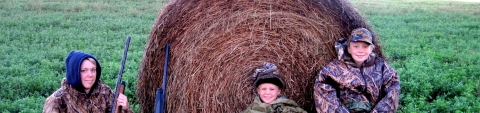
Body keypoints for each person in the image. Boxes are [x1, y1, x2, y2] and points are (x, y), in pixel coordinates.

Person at [314, 28, 400, 113]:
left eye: (365, 46)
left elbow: (393, 89)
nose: (360, 51)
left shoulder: (381, 66)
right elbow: (323, 91)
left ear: (371, 49)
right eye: (356, 46)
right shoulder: (334, 68)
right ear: (349, 49)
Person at [43, 51, 133, 113]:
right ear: (74, 72)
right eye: (84, 70)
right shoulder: (57, 101)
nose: (90, 75)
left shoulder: (105, 92)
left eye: (93, 70)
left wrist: (125, 109)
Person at [242, 62, 307, 113]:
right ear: (258, 91)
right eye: (263, 89)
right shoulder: (249, 110)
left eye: (272, 89)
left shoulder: (291, 110)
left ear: (279, 91)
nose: (267, 93)